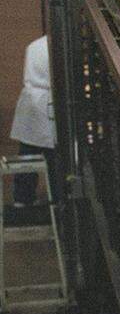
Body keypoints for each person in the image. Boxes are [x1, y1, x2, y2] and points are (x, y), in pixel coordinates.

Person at [9, 35, 55, 209]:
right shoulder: (56, 46)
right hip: (46, 102)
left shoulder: (34, 45)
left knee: (27, 154)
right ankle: (57, 199)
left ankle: (22, 198)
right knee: (52, 157)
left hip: (30, 102)